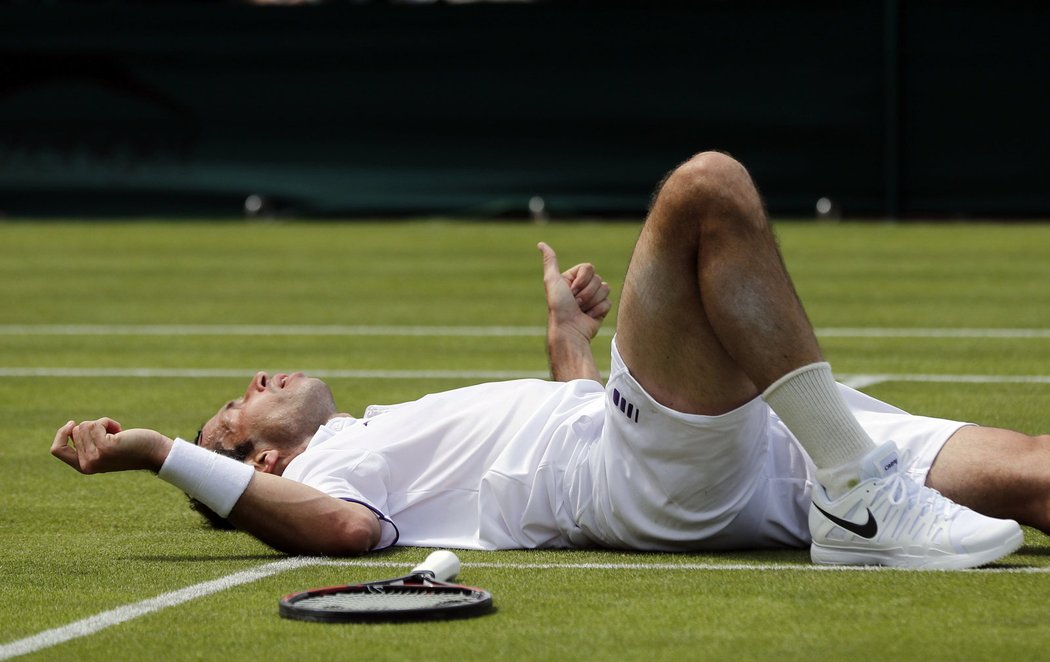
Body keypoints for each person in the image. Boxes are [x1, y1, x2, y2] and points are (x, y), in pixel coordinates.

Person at [52, 152, 1046, 569]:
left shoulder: (377, 427)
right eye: (238, 409)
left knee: (1036, 471)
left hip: (756, 452)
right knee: (706, 190)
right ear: (261, 464)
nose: (256, 380)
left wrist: (567, 344)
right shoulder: (326, 472)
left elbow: (560, 426)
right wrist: (159, 450)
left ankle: (852, 490)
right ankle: (862, 498)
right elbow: (348, 531)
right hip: (658, 474)